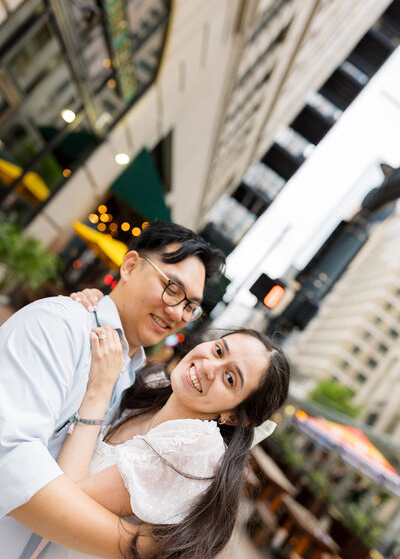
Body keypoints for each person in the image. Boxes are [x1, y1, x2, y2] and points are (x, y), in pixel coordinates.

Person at [0, 221, 225, 559]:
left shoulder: (138, 384)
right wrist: (139, 547)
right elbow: (9, 458)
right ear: (131, 266)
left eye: (190, 306)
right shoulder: (58, 326)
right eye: (171, 289)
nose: (177, 312)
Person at [35, 326, 291, 559]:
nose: (209, 367)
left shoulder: (198, 446)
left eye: (230, 379)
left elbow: (57, 504)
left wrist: (99, 390)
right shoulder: (155, 386)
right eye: (218, 350)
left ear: (234, 417)